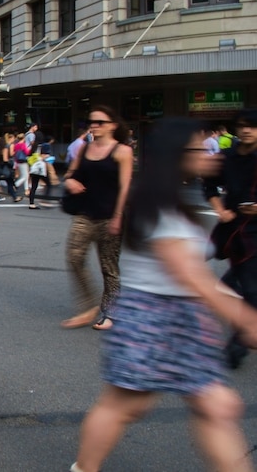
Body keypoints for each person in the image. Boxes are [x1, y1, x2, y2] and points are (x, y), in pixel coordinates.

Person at [70, 118, 257, 472]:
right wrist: (244, 318)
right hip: (152, 319)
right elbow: (191, 276)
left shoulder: (171, 199)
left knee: (214, 406)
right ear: (178, 154)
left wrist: (235, 309)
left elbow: (196, 277)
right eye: (200, 150)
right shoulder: (158, 204)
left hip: (182, 319)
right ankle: (84, 468)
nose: (210, 156)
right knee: (125, 405)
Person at [60, 106, 134, 330]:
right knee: (74, 258)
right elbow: (70, 174)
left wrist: (119, 216)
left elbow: (125, 187)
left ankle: (110, 312)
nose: (94, 125)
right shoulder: (84, 149)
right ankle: (88, 306)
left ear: (113, 125)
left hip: (110, 216)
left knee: (109, 267)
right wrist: (70, 181)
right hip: (85, 214)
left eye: (100, 122)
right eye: (91, 121)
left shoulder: (122, 151)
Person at [204, 108, 257, 369]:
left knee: (252, 290)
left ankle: (237, 346)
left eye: (252, 126)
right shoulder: (226, 157)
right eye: (243, 125)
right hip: (232, 227)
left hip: (255, 231)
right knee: (232, 283)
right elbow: (209, 185)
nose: (247, 130)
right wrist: (219, 208)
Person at [13, 133, 30, 197]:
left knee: (25, 175)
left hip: (18, 162)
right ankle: (15, 185)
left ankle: (26, 190)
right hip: (23, 161)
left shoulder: (16, 145)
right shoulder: (23, 144)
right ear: (23, 138)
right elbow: (27, 152)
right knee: (25, 176)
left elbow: (15, 154)